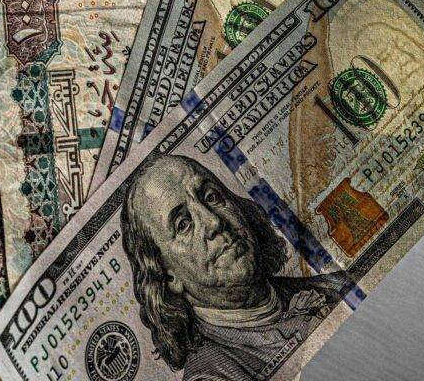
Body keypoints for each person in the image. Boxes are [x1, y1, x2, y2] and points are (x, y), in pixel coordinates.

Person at [120, 154, 352, 380]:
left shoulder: (338, 285)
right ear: (169, 277)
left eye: (211, 197)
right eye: (183, 224)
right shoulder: (212, 374)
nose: (214, 222)